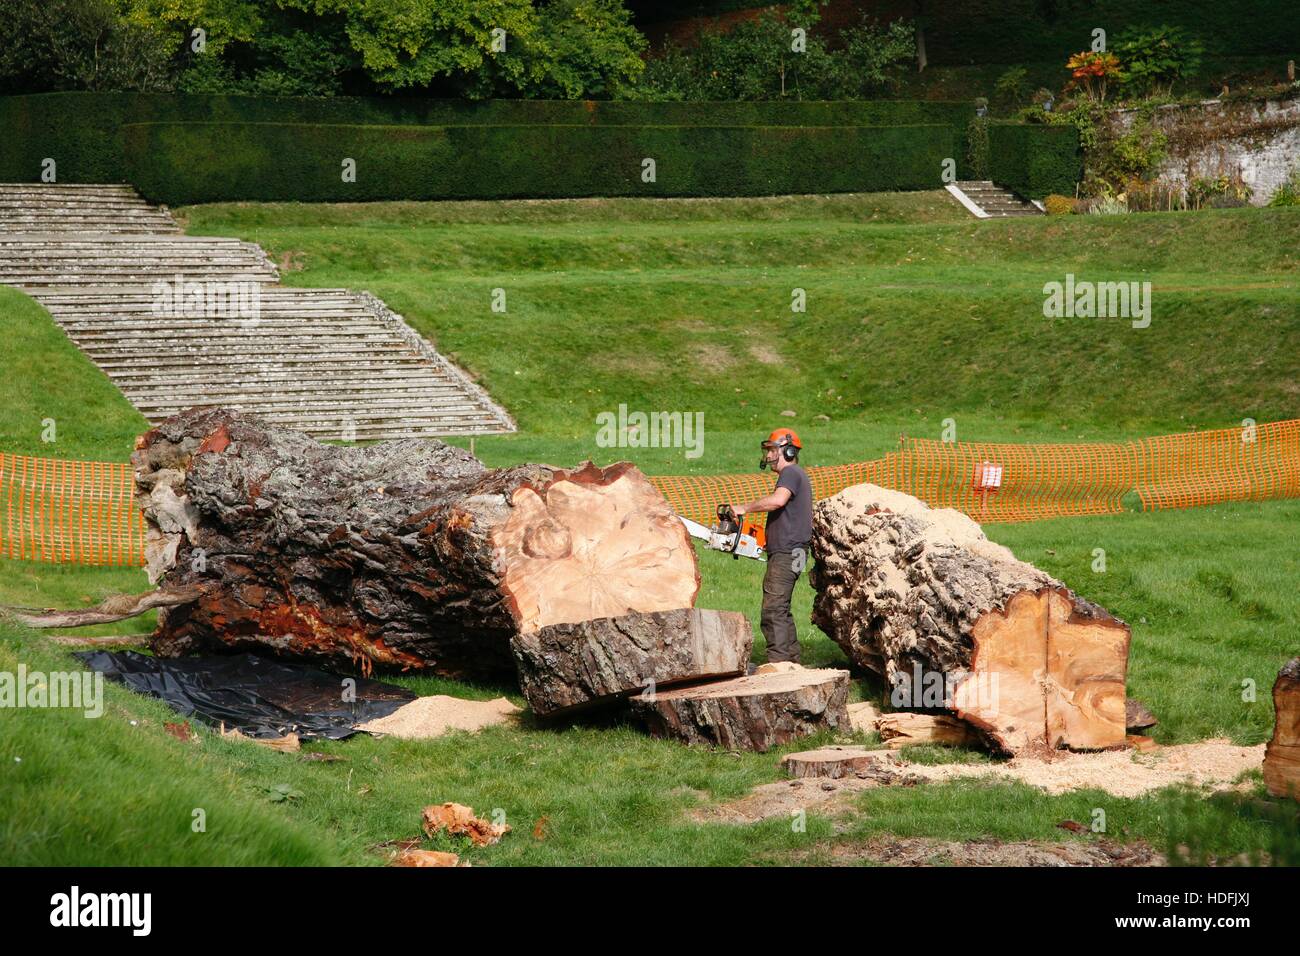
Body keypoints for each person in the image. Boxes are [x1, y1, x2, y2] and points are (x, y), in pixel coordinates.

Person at [728, 428, 811, 664]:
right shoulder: (796, 475)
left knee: (773, 609)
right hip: (791, 550)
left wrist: (745, 507)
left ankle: (779, 662)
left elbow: (777, 501)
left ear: (788, 449)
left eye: (773, 450)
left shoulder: (791, 473)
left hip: (788, 552)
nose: (769, 455)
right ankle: (791, 662)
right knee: (781, 607)